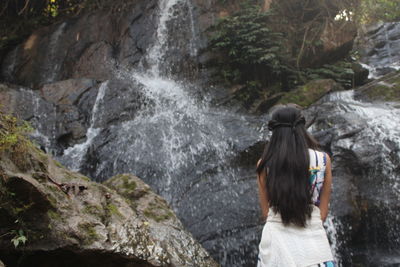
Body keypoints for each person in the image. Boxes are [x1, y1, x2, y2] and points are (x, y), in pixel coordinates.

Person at [256, 104, 335, 267]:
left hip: (276, 241)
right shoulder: (323, 160)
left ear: (274, 132)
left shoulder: (264, 164)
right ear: (302, 128)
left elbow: (266, 213)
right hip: (313, 242)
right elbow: (323, 213)